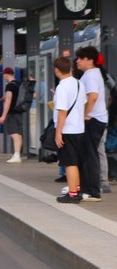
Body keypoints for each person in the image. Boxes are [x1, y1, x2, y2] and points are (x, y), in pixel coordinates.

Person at [52, 56, 88, 203]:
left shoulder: (62, 87)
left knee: (70, 163)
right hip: (79, 129)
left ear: (56, 70)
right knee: (75, 162)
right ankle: (77, 190)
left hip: (68, 130)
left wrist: (58, 133)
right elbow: (83, 103)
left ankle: (72, 194)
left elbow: (62, 112)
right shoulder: (79, 84)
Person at [75, 46, 108, 199]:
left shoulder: (90, 76)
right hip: (97, 119)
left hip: (93, 120)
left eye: (81, 58)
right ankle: (88, 188)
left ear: (90, 60)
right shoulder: (93, 74)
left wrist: (83, 114)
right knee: (89, 154)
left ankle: (92, 191)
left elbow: (92, 97)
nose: (78, 61)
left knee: (90, 155)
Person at [0, 67, 25, 164]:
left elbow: (8, 101)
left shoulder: (9, 86)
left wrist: (3, 116)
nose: (4, 76)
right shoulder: (18, 83)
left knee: (14, 134)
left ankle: (16, 155)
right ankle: (17, 154)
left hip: (12, 113)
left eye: (4, 74)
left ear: (6, 74)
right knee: (19, 134)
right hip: (19, 112)